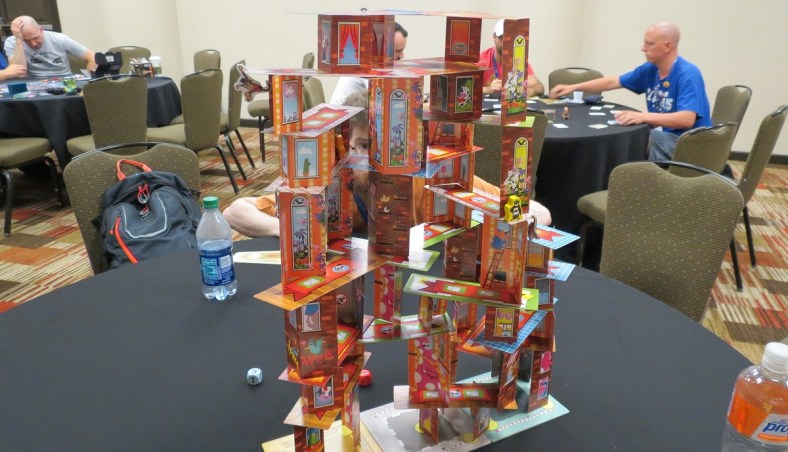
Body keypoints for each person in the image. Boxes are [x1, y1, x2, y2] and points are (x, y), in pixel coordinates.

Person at [224, 90, 551, 237]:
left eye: (386, 148)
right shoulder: (333, 184)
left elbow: (538, 211)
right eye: (364, 146)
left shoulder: (431, 182)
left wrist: (521, 222)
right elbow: (235, 211)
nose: (375, 161)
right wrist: (289, 230)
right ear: (345, 146)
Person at [548, 22, 711, 162]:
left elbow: (687, 119)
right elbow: (613, 81)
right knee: (630, 134)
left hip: (691, 146)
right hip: (670, 137)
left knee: (635, 139)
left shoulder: (687, 74)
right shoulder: (651, 69)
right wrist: (573, 87)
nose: (643, 48)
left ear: (668, 46)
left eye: (649, 44)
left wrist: (644, 116)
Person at [328, 22, 408, 105]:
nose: (402, 56)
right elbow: (383, 100)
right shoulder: (367, 65)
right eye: (398, 51)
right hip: (345, 111)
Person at [4, 15, 97, 78]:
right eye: (26, 40)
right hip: (33, 83)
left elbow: (93, 57)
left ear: (41, 30)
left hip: (64, 80)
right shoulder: (12, 42)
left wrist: (90, 81)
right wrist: (19, 41)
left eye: (35, 38)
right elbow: (19, 73)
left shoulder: (59, 39)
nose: (33, 43)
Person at [479, 19, 544, 98]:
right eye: (501, 37)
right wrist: (487, 89)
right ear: (494, 37)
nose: (505, 42)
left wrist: (526, 91)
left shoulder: (518, 60)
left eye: (509, 37)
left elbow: (539, 87)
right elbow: (466, 88)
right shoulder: (481, 60)